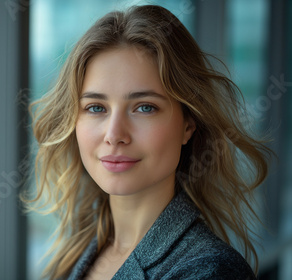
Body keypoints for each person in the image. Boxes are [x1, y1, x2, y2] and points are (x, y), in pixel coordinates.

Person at [24, 4, 271, 280]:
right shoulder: (79, 252)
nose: (115, 134)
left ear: (188, 124)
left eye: (144, 107)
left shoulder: (211, 271)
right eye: (96, 108)